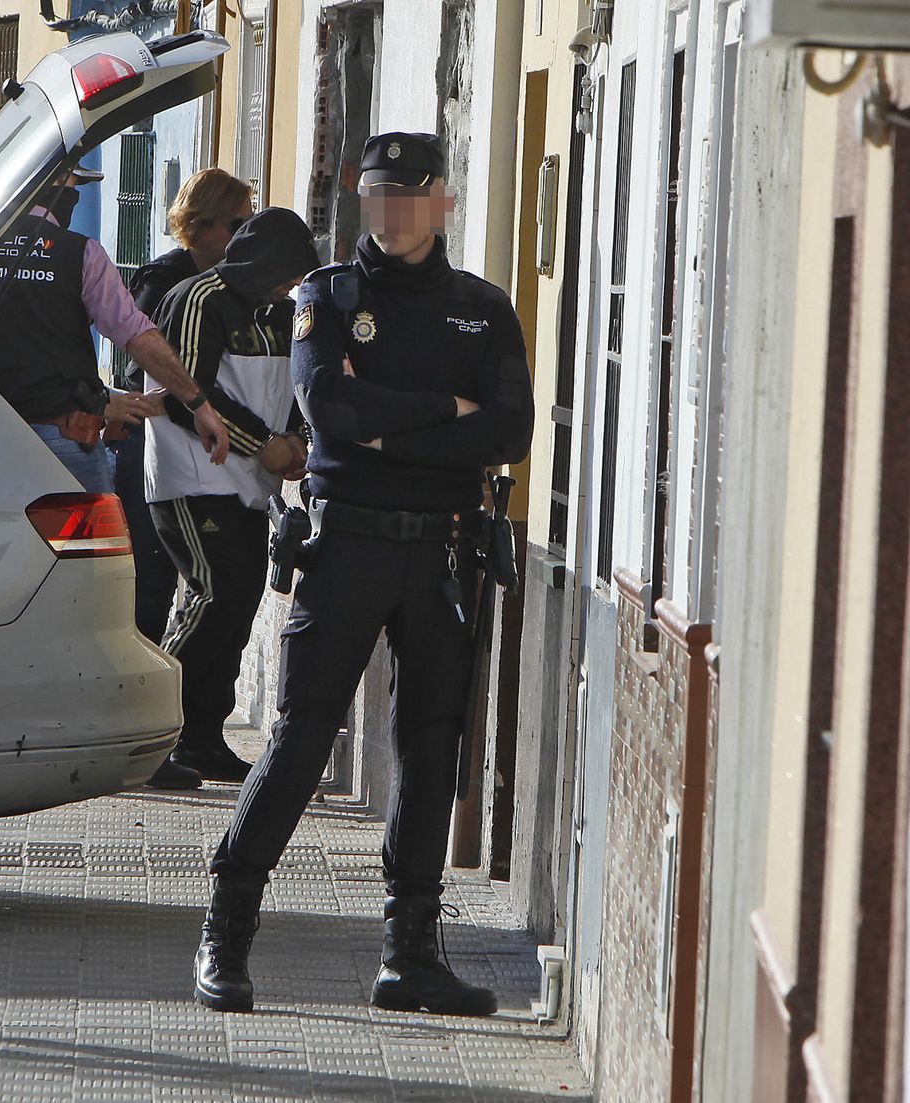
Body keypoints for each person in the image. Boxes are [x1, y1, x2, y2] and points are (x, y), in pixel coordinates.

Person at [192, 133, 533, 1017]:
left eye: (411, 195)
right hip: (347, 545)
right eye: (379, 195)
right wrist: (444, 410)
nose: (394, 212)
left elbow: (509, 432)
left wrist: (390, 425)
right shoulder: (328, 296)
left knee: (432, 744)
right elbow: (331, 413)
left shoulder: (482, 309)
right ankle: (226, 929)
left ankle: (408, 954)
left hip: (444, 554)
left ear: (441, 201)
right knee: (302, 737)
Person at [143, 208, 318, 788]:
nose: (289, 287)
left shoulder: (283, 314)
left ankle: (201, 737)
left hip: (250, 484)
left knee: (236, 605)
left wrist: (296, 440)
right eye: (286, 276)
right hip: (192, 477)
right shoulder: (199, 300)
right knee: (210, 597)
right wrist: (264, 443)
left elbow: (295, 386)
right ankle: (150, 735)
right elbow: (185, 393)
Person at [0, 166, 230, 500]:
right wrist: (198, 403)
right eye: (73, 186)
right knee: (89, 536)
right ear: (54, 187)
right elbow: (136, 335)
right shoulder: (80, 253)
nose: (75, 196)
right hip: (64, 441)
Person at [120, 169, 255, 647]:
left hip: (213, 456)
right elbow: (139, 369)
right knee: (152, 584)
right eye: (237, 224)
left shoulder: (237, 286)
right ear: (202, 224)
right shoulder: (165, 281)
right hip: (159, 450)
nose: (245, 235)